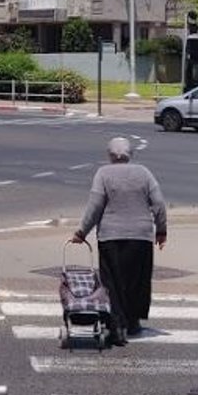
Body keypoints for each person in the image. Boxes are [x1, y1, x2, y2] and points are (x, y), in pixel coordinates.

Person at [71, 137, 167, 345]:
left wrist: (82, 232)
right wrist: (161, 230)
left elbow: (95, 205)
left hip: (110, 237)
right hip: (141, 237)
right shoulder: (144, 173)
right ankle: (133, 322)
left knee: (112, 282)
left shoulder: (103, 173)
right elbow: (158, 203)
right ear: (130, 154)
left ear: (109, 154)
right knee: (137, 281)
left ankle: (117, 325)